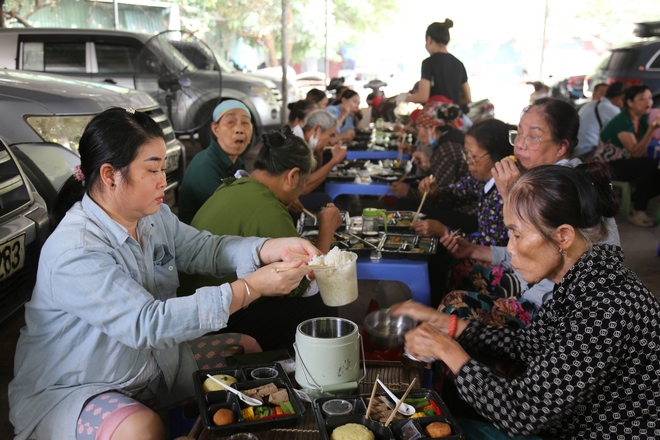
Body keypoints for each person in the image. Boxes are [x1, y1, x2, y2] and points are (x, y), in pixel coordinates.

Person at [8, 108, 319, 440]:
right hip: (80, 386)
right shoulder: (76, 249)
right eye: (153, 169)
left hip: (149, 367)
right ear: (111, 174)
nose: (163, 180)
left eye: (164, 168)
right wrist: (250, 288)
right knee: (141, 428)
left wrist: (269, 247)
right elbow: (148, 324)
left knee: (246, 350)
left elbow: (205, 249)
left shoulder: (153, 218)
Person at [391, 164, 660, 439]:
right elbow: (526, 345)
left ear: (563, 237)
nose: (509, 247)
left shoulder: (606, 306)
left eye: (517, 234)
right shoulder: (582, 279)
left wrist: (447, 349)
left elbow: (521, 413)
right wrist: (449, 326)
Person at [439, 98, 620, 317]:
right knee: (460, 268)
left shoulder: (561, 187)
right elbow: (527, 249)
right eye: (519, 133)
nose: (521, 144)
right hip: (536, 286)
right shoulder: (543, 177)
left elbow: (534, 259)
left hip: (556, 307)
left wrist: (510, 194)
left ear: (561, 146)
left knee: (456, 304)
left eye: (533, 136)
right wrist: (472, 249)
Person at [189, 127, 342, 349]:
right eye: (302, 183)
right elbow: (303, 284)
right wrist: (326, 230)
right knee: (322, 302)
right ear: (293, 176)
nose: (300, 193)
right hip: (213, 319)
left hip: (198, 302)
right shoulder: (268, 207)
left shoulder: (236, 186)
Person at [411, 118, 513, 247]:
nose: (469, 162)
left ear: (497, 154)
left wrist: (444, 232)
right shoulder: (480, 179)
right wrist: (433, 193)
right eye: (467, 155)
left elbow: (488, 249)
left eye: (474, 157)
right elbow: (454, 194)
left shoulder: (503, 193)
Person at [389, 100, 473, 222]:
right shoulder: (452, 140)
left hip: (462, 210)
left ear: (432, 128)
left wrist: (407, 192)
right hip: (460, 203)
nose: (419, 134)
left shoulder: (446, 149)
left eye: (420, 129)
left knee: (402, 205)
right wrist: (429, 168)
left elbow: (441, 198)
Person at [178, 100, 252, 224]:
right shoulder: (205, 166)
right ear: (216, 129)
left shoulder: (237, 162)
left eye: (245, 123)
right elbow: (232, 213)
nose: (239, 129)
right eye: (230, 122)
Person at [596, 84, 660, 227]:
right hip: (607, 166)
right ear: (630, 103)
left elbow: (641, 152)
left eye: (650, 98)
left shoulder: (640, 121)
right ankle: (637, 211)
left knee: (656, 172)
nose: (648, 102)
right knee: (647, 163)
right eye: (642, 98)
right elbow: (636, 152)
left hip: (625, 163)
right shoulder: (622, 121)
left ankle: (632, 202)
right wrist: (652, 128)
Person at [401, 20, 471, 109]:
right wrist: (451, 102)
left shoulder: (429, 63)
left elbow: (423, 97)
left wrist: (403, 98)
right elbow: (468, 98)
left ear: (429, 39)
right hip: (454, 119)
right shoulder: (459, 64)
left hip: (435, 119)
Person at [576, 81, 626, 158]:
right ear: (619, 98)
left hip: (577, 149)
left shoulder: (591, 105)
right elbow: (623, 133)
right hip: (588, 152)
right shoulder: (612, 109)